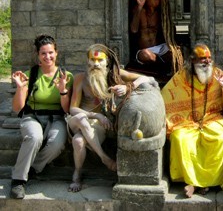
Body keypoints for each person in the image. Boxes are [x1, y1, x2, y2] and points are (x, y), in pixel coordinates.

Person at [67, 44, 156, 192]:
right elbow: (72, 109)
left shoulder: (115, 75)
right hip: (78, 120)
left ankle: (77, 174)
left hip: (97, 127)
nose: (96, 64)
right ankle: (105, 158)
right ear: (87, 61)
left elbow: (148, 78)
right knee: (82, 119)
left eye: (100, 60)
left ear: (107, 62)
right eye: (92, 60)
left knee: (78, 141)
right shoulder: (80, 79)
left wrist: (128, 87)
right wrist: (96, 115)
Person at [160, 44, 223, 198]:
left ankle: (204, 183)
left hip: (212, 118)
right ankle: (191, 182)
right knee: (180, 139)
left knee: (221, 138)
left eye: (209, 58)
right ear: (192, 61)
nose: (207, 62)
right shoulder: (181, 77)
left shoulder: (219, 75)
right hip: (186, 121)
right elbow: (165, 97)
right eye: (202, 59)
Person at [10, 34, 74, 199]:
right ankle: (18, 180)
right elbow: (18, 108)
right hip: (33, 116)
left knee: (57, 143)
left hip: (57, 118)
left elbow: (67, 109)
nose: (48, 57)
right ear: (38, 55)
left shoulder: (66, 76)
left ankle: (32, 168)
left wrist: (62, 90)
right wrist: (20, 88)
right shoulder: (29, 75)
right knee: (34, 137)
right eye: (43, 53)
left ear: (56, 53)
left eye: (51, 52)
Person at [130, 0, 183, 74]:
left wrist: (174, 46)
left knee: (177, 53)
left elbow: (171, 31)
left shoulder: (162, 14)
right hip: (144, 50)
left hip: (159, 48)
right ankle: (162, 68)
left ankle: (174, 75)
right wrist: (139, 6)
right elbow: (134, 30)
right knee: (147, 56)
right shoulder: (140, 10)